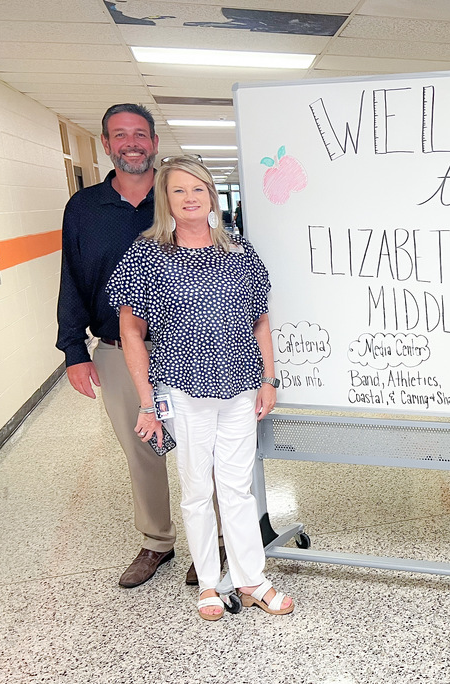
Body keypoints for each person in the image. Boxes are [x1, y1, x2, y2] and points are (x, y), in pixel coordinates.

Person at [107, 156, 293, 621]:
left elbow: (261, 320)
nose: (190, 198)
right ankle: (209, 582)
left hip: (239, 389)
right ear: (164, 201)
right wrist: (147, 401)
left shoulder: (239, 253)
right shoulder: (147, 255)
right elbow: (131, 333)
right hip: (183, 390)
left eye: (198, 189)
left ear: (211, 195)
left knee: (237, 488)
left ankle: (251, 579)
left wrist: (268, 380)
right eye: (178, 191)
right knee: (194, 487)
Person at [56, 103, 178, 588]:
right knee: (142, 448)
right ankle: (157, 542)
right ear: (106, 144)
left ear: (154, 142)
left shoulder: (178, 196)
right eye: (120, 135)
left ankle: (216, 543)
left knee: (202, 447)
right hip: (115, 348)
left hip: (187, 346)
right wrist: (74, 350)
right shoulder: (83, 209)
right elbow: (73, 279)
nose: (132, 142)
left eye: (141, 134)